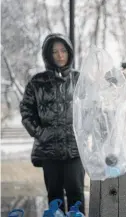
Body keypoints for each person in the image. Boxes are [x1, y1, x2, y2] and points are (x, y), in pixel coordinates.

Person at [20, 33, 85, 214]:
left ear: (69, 52)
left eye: (63, 50)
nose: (60, 55)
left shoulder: (79, 79)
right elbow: (26, 111)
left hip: (75, 150)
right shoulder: (37, 82)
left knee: (76, 196)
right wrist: (40, 133)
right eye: (55, 51)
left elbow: (91, 110)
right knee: (54, 197)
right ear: (48, 55)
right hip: (48, 150)